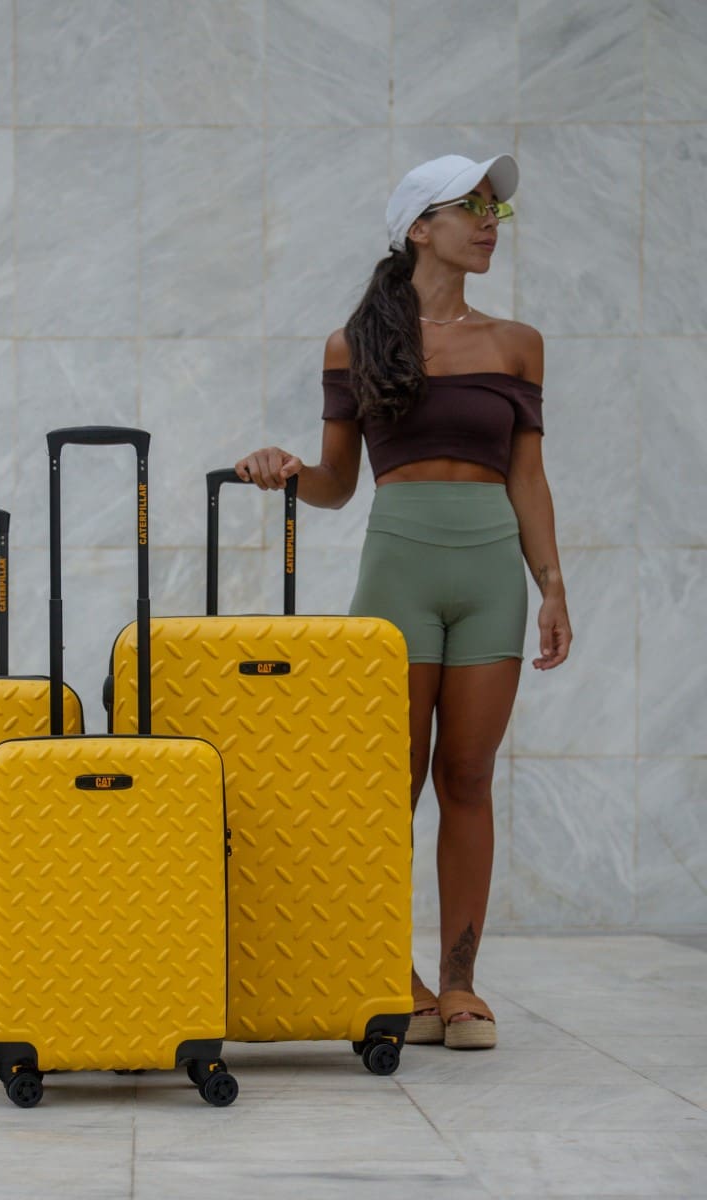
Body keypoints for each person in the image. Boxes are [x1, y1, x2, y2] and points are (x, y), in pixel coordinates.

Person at [235, 153, 572, 1050]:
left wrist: (551, 585)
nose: (490, 222)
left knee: (468, 777)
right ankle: (392, 971)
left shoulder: (518, 343)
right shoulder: (355, 343)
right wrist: (286, 472)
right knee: (390, 783)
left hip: (491, 574)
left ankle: (460, 984)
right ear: (420, 227)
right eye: (472, 207)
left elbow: (529, 478)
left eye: (497, 209)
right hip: (398, 574)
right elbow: (337, 482)